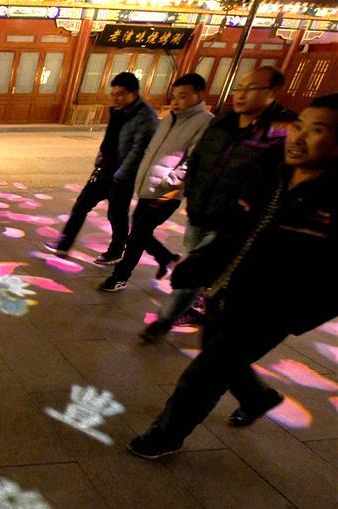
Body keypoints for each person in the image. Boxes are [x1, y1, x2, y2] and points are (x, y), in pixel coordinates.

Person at [128, 95, 338, 459]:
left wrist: (295, 315)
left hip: (273, 309)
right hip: (229, 286)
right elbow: (237, 228)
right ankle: (258, 397)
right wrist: (199, 265)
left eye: (317, 130)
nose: (299, 137)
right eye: (299, 126)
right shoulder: (274, 171)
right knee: (216, 349)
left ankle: (166, 436)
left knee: (206, 372)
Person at [141, 66, 295, 341]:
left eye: (251, 89)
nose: (241, 95)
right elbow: (198, 158)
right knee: (195, 266)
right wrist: (192, 193)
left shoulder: (280, 132)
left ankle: (165, 321)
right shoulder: (223, 122)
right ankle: (190, 308)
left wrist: (245, 208)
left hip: (232, 220)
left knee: (195, 270)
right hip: (200, 210)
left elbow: (276, 180)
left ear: (272, 92)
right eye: (239, 88)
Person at [99, 74, 213, 292]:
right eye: (174, 96)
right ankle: (166, 258)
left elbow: (193, 160)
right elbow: (151, 150)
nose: (176, 101)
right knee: (139, 231)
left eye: (183, 96)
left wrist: (170, 181)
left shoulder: (205, 122)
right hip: (149, 187)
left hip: (167, 192)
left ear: (199, 95)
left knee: (137, 235)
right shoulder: (169, 119)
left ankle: (120, 276)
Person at [44, 72, 158, 264]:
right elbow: (110, 139)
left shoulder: (146, 117)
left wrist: (121, 175)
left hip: (123, 176)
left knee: (117, 215)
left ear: (134, 93)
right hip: (105, 169)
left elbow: (139, 151)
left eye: (120, 94)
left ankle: (116, 251)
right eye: (113, 94)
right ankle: (64, 243)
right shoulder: (118, 110)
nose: (115, 99)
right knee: (81, 205)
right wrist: (100, 161)